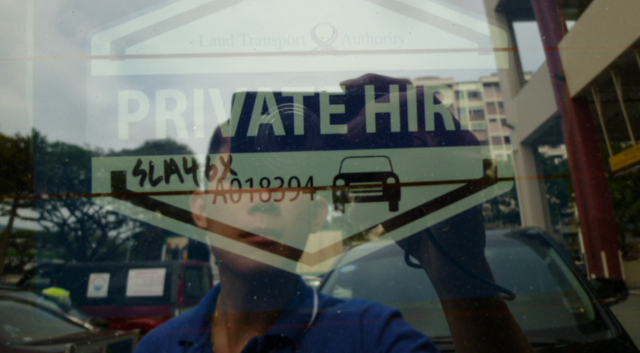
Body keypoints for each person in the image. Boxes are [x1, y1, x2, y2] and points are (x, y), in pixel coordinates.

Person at [136, 74, 533, 353]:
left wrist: (458, 276)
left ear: (317, 213)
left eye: (289, 178)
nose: (264, 197)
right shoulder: (156, 348)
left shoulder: (374, 339)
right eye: (240, 176)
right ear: (200, 208)